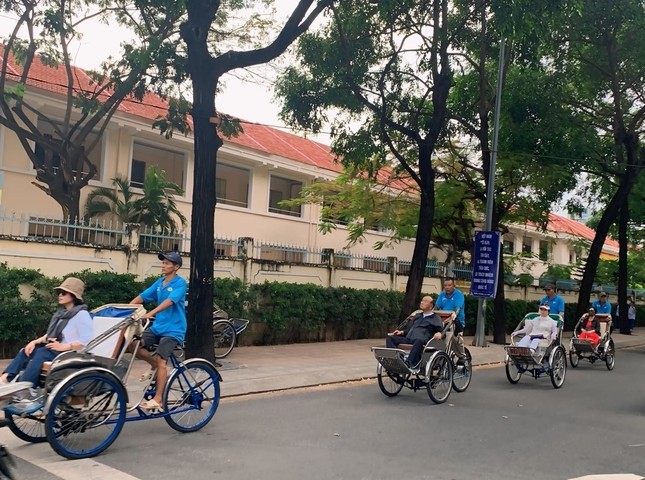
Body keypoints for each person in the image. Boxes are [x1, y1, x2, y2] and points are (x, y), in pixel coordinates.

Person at [0, 277, 93, 410]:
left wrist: (63, 346)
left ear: (73, 296)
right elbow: (49, 336)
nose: (60, 295)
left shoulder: (82, 315)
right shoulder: (62, 314)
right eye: (59, 292)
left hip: (71, 354)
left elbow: (86, 341)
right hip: (56, 349)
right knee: (27, 350)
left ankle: (24, 390)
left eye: (64, 293)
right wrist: (34, 341)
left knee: (41, 353)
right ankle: (4, 380)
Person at [130, 251, 187, 411]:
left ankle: (158, 399)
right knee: (134, 345)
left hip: (173, 329)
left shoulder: (180, 284)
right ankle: (155, 367)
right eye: (163, 263)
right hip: (158, 328)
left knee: (163, 360)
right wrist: (126, 310)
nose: (163, 265)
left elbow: (169, 302)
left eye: (167, 263)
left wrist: (151, 313)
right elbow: (142, 296)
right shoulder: (159, 283)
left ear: (176, 267)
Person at [386, 296, 443, 370]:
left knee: (419, 340)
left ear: (431, 306)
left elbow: (440, 330)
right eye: (422, 300)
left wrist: (439, 333)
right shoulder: (417, 316)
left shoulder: (435, 318)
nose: (422, 302)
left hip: (422, 340)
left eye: (425, 301)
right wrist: (402, 332)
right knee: (390, 338)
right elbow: (409, 329)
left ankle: (410, 362)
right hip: (409, 338)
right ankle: (395, 360)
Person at [435, 278, 466, 362]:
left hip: (457, 322)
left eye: (449, 285)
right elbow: (436, 307)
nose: (447, 287)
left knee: (452, 337)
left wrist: (453, 316)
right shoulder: (442, 295)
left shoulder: (459, 295)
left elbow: (457, 308)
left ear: (454, 286)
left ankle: (461, 356)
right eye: (445, 285)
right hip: (444, 321)